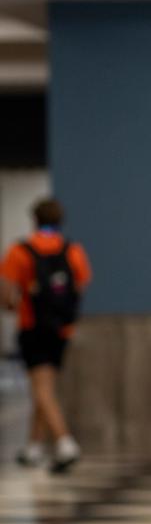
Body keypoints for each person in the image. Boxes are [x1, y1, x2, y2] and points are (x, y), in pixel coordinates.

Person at [0, 197, 92, 473]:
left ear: (35, 220)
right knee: (45, 386)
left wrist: (14, 306)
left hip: (33, 327)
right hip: (61, 329)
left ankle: (65, 443)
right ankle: (34, 446)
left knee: (40, 388)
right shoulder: (72, 249)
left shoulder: (21, 250)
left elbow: (6, 291)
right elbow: (82, 283)